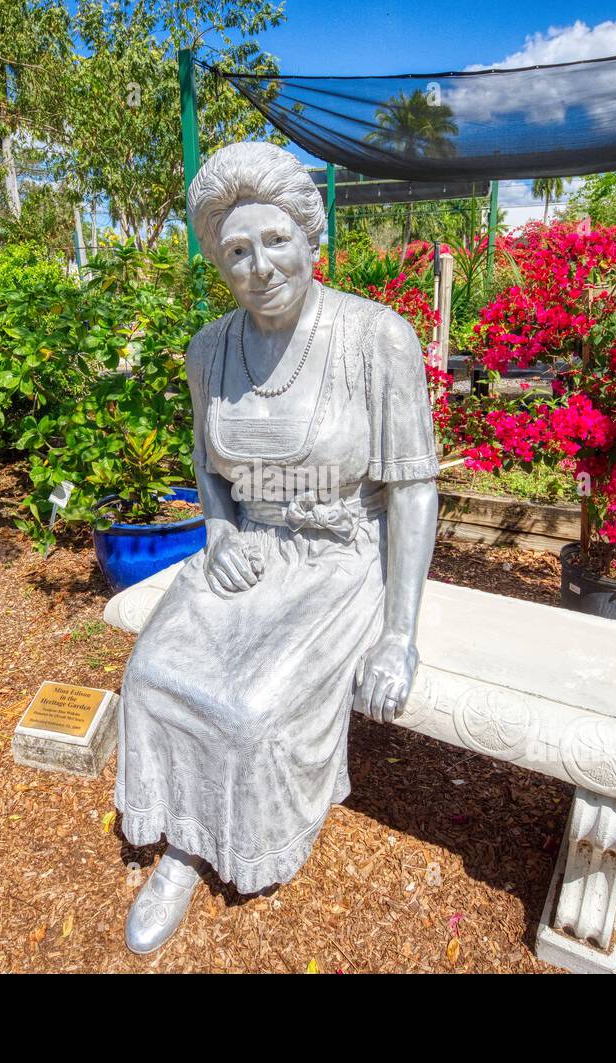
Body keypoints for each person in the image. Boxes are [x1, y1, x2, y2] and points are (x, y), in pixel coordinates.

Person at [112, 142, 440, 954]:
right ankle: (183, 843)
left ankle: (218, 842)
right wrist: (219, 526)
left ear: (309, 236)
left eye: (275, 241)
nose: (259, 266)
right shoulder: (209, 349)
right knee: (151, 673)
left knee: (250, 706)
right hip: (250, 548)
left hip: (338, 559)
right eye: (236, 251)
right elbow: (206, 459)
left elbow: (414, 490)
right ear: (220, 266)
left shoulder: (377, 338)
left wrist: (399, 635)